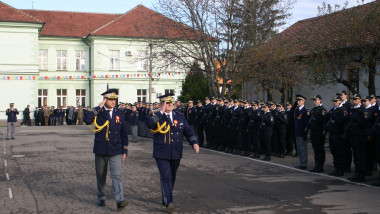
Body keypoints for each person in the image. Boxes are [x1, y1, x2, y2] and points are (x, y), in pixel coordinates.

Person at [146, 93, 199, 212]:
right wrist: (160, 112)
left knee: (172, 177)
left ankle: (166, 196)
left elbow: (188, 131)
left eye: (171, 103)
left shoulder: (179, 116)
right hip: (161, 152)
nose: (170, 105)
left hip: (176, 152)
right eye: (167, 103)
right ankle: (169, 201)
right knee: (166, 176)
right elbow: (149, 124)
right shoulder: (156, 115)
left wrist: (194, 143)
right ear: (161, 104)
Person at [84, 89, 129, 211]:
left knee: (116, 175)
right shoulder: (98, 112)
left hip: (116, 149)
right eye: (110, 99)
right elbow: (87, 119)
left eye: (114, 99)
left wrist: (125, 150)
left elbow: (124, 133)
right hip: (101, 149)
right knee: (101, 175)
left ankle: (120, 200)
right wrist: (99, 106)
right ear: (105, 100)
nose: (113, 102)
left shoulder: (119, 113)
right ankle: (101, 197)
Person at [347, 95, 371, 182]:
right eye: (353, 99)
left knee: (361, 156)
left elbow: (364, 123)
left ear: (360, 100)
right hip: (353, 135)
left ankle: (361, 175)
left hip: (360, 136)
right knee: (356, 156)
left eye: (356, 99)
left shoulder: (362, 110)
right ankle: (357, 174)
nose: (354, 101)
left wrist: (356, 118)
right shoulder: (353, 110)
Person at [324, 96, 346, 176]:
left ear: (340, 101)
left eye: (336, 101)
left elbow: (341, 121)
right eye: (333, 101)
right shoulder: (333, 110)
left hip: (338, 134)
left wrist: (334, 115)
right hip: (332, 133)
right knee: (334, 152)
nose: (334, 102)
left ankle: (340, 170)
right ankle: (336, 168)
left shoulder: (342, 110)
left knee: (339, 152)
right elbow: (327, 118)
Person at [307, 95, 327, 173]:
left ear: (320, 100)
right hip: (313, 132)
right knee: (315, 149)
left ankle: (320, 166)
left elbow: (323, 122)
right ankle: (316, 165)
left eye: (316, 100)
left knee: (320, 149)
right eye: (313, 100)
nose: (314, 101)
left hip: (319, 132)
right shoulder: (313, 110)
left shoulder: (322, 110)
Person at [294, 94, 310, 170]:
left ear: (303, 101)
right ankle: (301, 163)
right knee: (299, 149)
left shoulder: (305, 111)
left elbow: (306, 123)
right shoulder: (297, 110)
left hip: (302, 132)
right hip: (297, 131)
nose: (298, 102)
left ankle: (304, 164)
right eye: (297, 100)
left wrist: (305, 132)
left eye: (299, 100)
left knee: (303, 149)